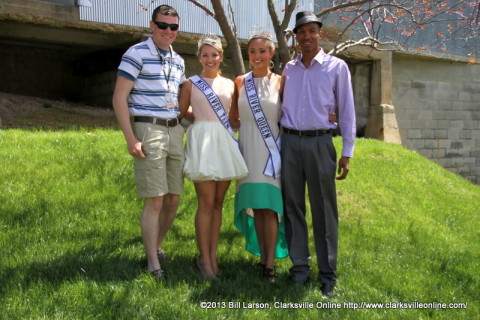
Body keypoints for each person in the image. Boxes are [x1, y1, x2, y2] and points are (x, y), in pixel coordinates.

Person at [280, 11, 356, 298]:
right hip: (290, 143)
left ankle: (327, 274)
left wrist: (347, 151)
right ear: (296, 37)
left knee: (324, 210)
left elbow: (347, 111)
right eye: (301, 32)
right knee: (293, 207)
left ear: (319, 34)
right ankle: (300, 268)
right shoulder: (288, 69)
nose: (307, 37)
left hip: (320, 143)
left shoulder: (337, 68)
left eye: (312, 31)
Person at [112, 5, 185, 280]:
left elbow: (180, 100)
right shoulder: (136, 53)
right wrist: (131, 138)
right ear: (152, 25)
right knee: (154, 200)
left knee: (173, 197)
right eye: (163, 25)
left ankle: (156, 246)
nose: (168, 31)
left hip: (175, 130)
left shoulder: (178, 60)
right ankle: (153, 262)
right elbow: (119, 98)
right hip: (148, 128)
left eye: (173, 27)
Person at [179, 34, 248, 280]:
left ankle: (212, 254)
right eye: (205, 55)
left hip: (225, 143)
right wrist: (200, 119)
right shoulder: (190, 83)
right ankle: (204, 259)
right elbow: (182, 111)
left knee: (218, 204)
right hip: (203, 143)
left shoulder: (231, 84)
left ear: (221, 57)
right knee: (206, 204)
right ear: (199, 57)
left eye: (214, 54)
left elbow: (233, 118)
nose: (210, 59)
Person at [229, 30, 288, 283]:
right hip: (248, 150)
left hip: (271, 153)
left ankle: (270, 265)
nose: (257, 56)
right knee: (257, 207)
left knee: (270, 208)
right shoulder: (240, 81)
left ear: (271, 53)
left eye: (262, 51)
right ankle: (263, 258)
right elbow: (232, 118)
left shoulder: (281, 81)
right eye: (252, 51)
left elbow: (292, 115)